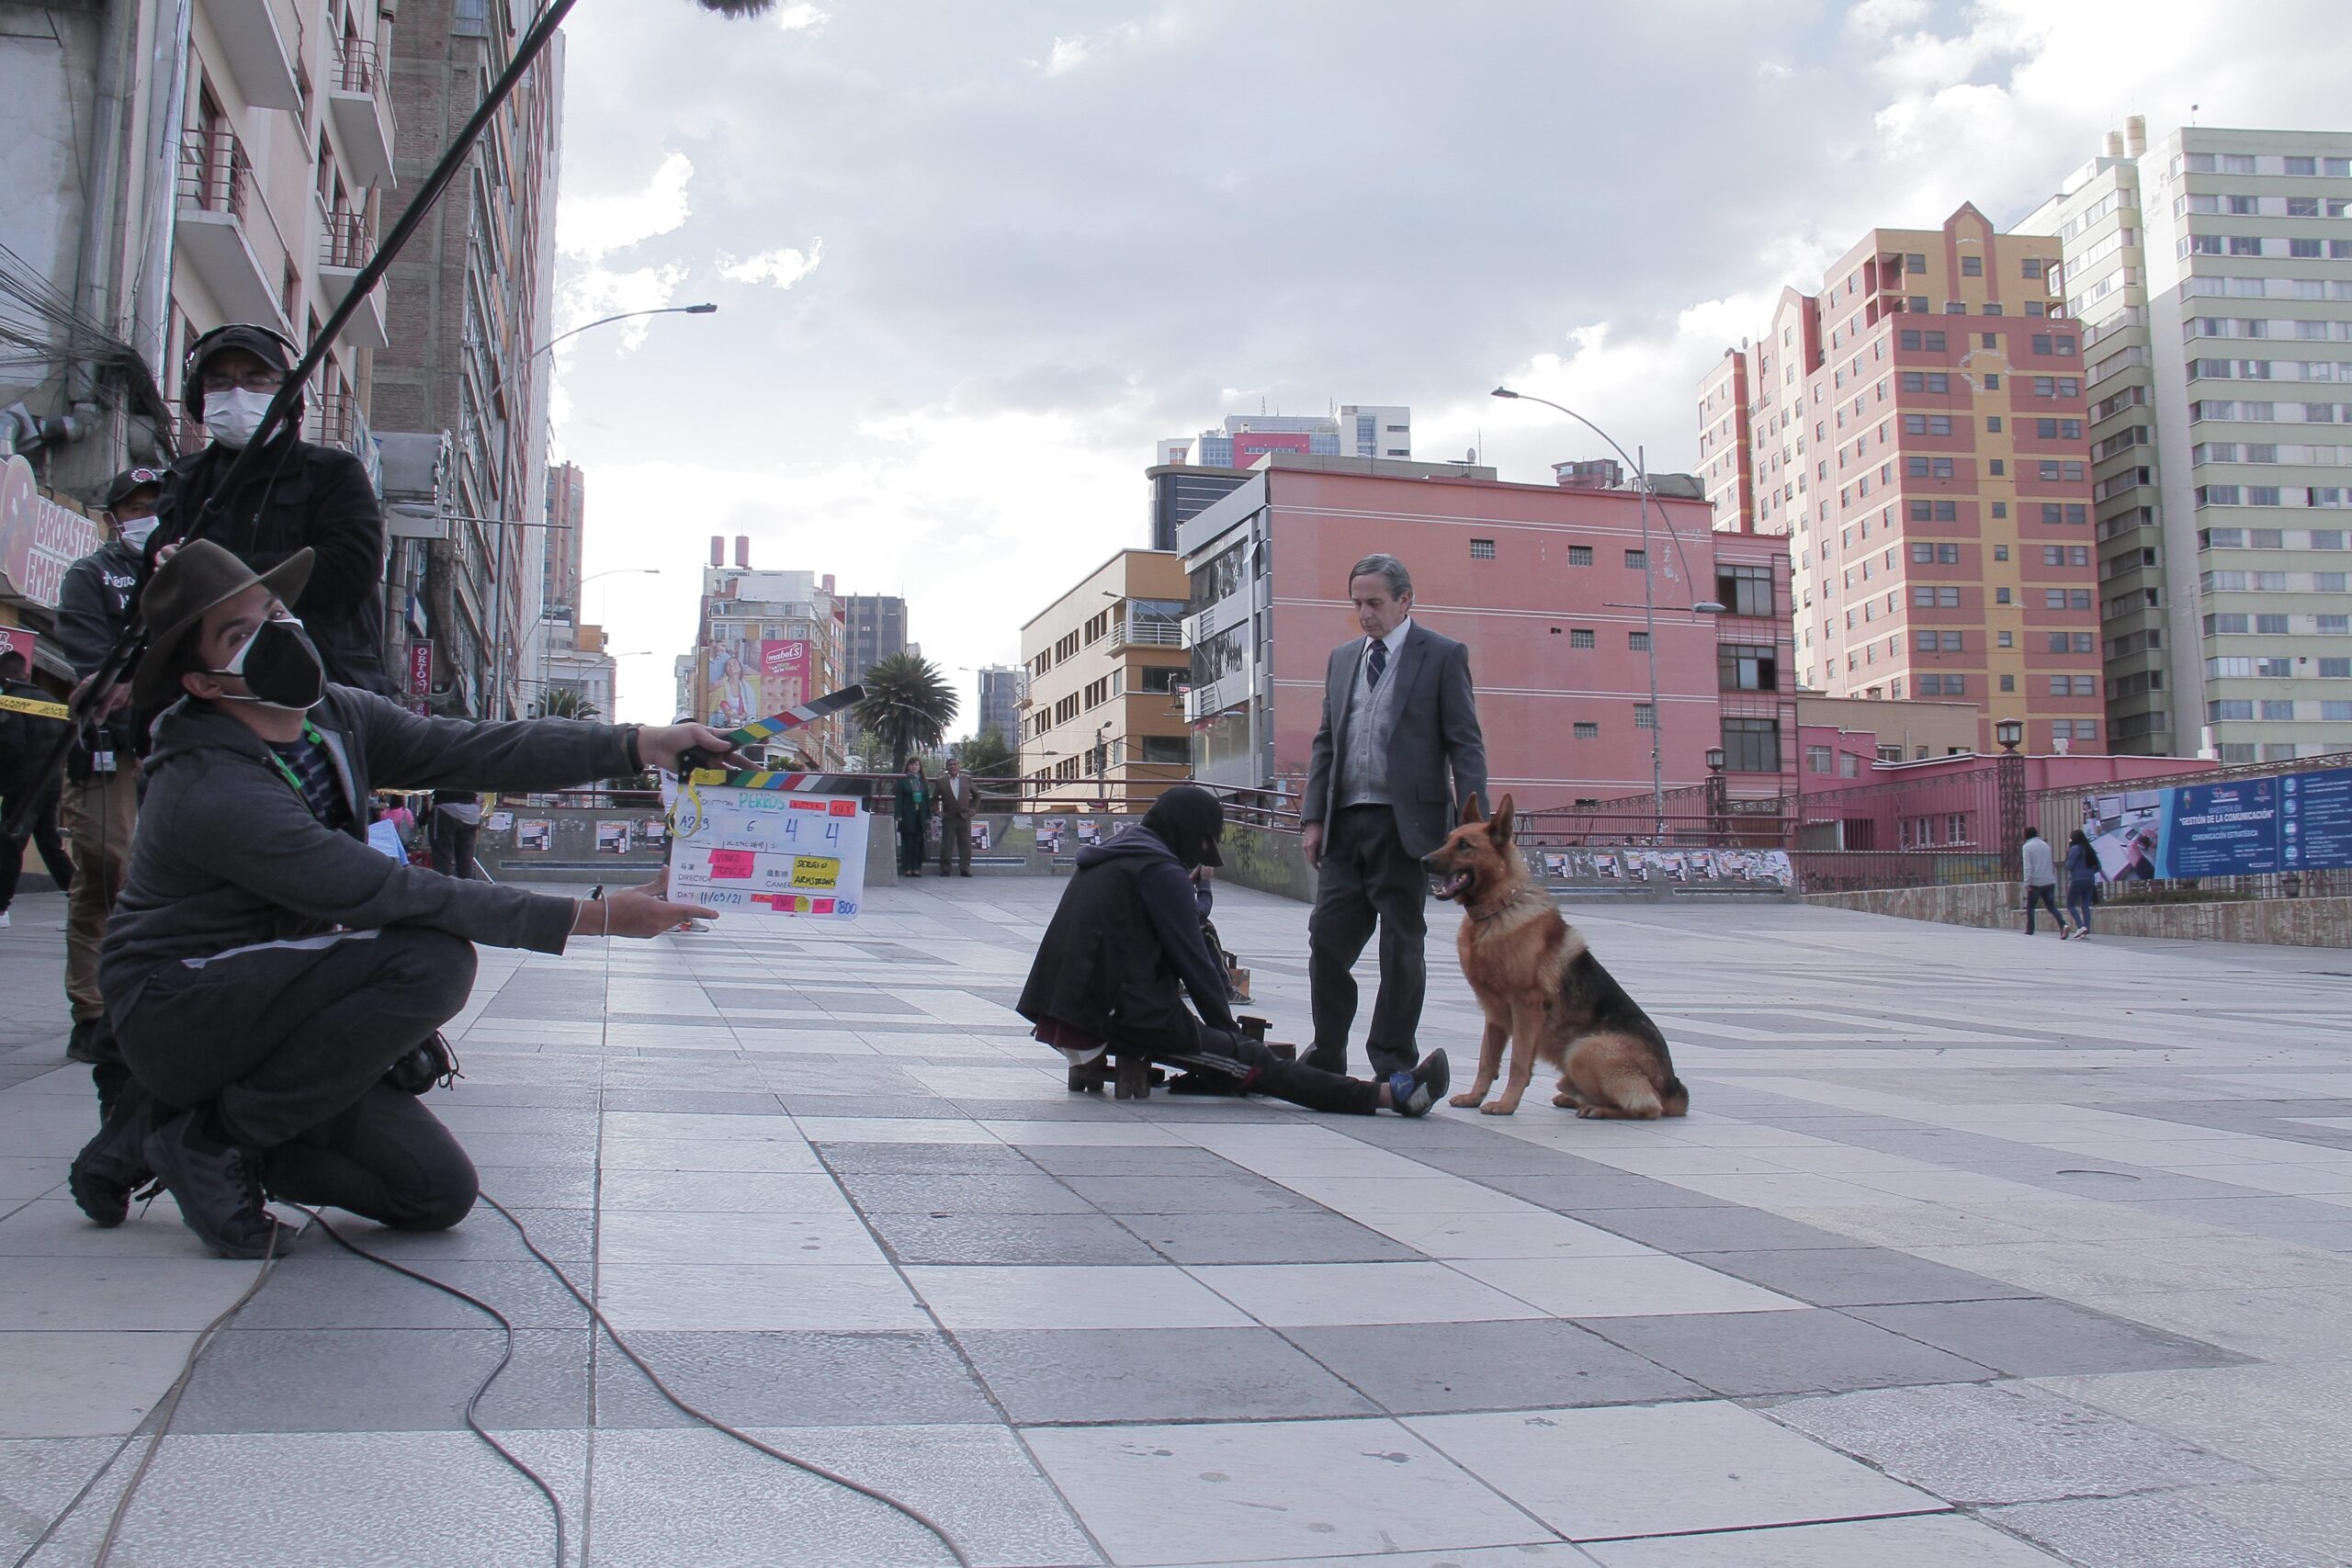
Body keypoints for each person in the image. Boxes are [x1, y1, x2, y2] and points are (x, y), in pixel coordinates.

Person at [66, 541, 733, 1258]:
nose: (277, 633)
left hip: (281, 1002)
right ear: (201, 682)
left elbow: (480, 748)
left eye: (275, 611)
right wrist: (594, 917)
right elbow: (385, 889)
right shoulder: (209, 786)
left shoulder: (335, 718)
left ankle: (162, 1131)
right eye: (238, 634)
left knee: (434, 1193)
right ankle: (213, 1138)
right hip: (183, 1008)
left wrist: (641, 744)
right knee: (432, 961)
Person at [1019, 785, 1447, 1117]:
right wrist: (1229, 1035)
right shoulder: (1159, 871)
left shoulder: (1117, 854)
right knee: (1256, 1061)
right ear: (1190, 832)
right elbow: (1197, 966)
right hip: (1116, 1019)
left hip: (1067, 1013)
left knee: (1234, 1053)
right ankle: (1391, 1096)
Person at [1298, 554, 1487, 1077]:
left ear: (1405, 601)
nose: (1365, 614)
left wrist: (1477, 832)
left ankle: (1391, 1059)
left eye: (1375, 603)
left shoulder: (1443, 656)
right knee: (1326, 942)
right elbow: (1325, 744)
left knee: (1401, 947)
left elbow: (1465, 746)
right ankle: (1328, 1051)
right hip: (1345, 824)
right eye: (1357, 603)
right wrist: (1314, 818)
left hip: (1412, 831)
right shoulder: (1342, 660)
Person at [150, 323, 392, 694]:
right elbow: (149, 592)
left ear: (289, 394)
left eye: (256, 380)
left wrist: (218, 570)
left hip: (321, 683)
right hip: (206, 690)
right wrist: (118, 677)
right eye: (219, 382)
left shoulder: (332, 473)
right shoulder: (184, 480)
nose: (236, 394)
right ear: (198, 395)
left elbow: (352, 568)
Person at [51, 468, 165, 1077]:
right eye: (135, 506)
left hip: (177, 749)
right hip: (110, 752)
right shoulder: (91, 576)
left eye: (157, 505)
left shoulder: (187, 577)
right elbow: (101, 677)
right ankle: (92, 1010)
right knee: (105, 869)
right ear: (114, 516)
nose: (146, 515)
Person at [0, 649, 76, 931]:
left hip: (24, 787)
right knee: (51, 846)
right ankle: (78, 902)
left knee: (8, 844)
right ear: (27, 673)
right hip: (51, 783)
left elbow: (11, 745)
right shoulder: (51, 702)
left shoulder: (9, 702)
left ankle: (1, 909)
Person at [2019, 826, 2070, 939]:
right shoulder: (2045, 845)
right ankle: (2063, 925)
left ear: (2026, 836)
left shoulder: (2027, 847)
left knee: (2031, 906)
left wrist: (2027, 882)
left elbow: (2027, 866)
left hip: (2036, 882)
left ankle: (2030, 930)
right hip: (2049, 880)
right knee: (2051, 906)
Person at [430, 790, 484, 879]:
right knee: (466, 861)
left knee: (443, 859)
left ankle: (443, 890)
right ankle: (468, 890)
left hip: (446, 807)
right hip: (471, 812)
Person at [935, 756, 975, 877]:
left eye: (955, 764)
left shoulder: (967, 779)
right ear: (947, 767)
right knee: (947, 844)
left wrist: (973, 809)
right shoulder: (941, 781)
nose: (953, 766)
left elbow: (977, 795)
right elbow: (934, 798)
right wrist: (938, 811)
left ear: (959, 766)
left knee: (966, 844)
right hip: (949, 816)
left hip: (964, 816)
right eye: (950, 765)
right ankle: (945, 869)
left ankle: (965, 869)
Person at [2064, 827, 2104, 941]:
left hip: (2077, 880)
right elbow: (2099, 867)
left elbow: (2069, 866)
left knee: (2070, 905)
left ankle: (2080, 926)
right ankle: (2086, 931)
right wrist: (2090, 872)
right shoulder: (2089, 848)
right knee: (2085, 905)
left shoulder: (2074, 849)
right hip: (2090, 880)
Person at [893, 757, 930, 877]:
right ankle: (907, 868)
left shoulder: (923, 781)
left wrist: (928, 816)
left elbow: (927, 800)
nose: (914, 767)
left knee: (918, 843)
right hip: (907, 814)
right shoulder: (903, 781)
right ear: (908, 766)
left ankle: (917, 868)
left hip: (920, 815)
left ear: (920, 767)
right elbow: (898, 799)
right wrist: (898, 814)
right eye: (912, 765)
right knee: (907, 842)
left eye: (917, 765)